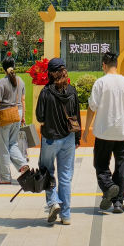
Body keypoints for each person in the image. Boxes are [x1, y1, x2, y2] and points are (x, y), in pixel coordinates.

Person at [85, 50, 124, 214]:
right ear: (116, 65)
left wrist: (86, 129)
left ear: (104, 65)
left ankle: (108, 187)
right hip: (123, 132)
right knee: (121, 167)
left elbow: (92, 107)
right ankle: (118, 203)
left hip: (103, 132)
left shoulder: (100, 83)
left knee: (100, 165)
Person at [36, 57, 80, 226]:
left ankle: (53, 202)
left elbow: (40, 117)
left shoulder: (46, 92)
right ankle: (66, 215)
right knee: (66, 176)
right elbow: (76, 116)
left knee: (46, 171)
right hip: (69, 138)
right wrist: (77, 138)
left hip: (50, 139)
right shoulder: (72, 91)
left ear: (50, 73)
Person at [0, 56, 29, 185]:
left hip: (6, 115)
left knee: (2, 146)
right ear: (14, 66)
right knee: (13, 143)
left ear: (3, 68)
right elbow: (23, 100)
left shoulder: (1, 82)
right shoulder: (21, 81)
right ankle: (22, 164)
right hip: (18, 113)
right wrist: (23, 116)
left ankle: (5, 177)